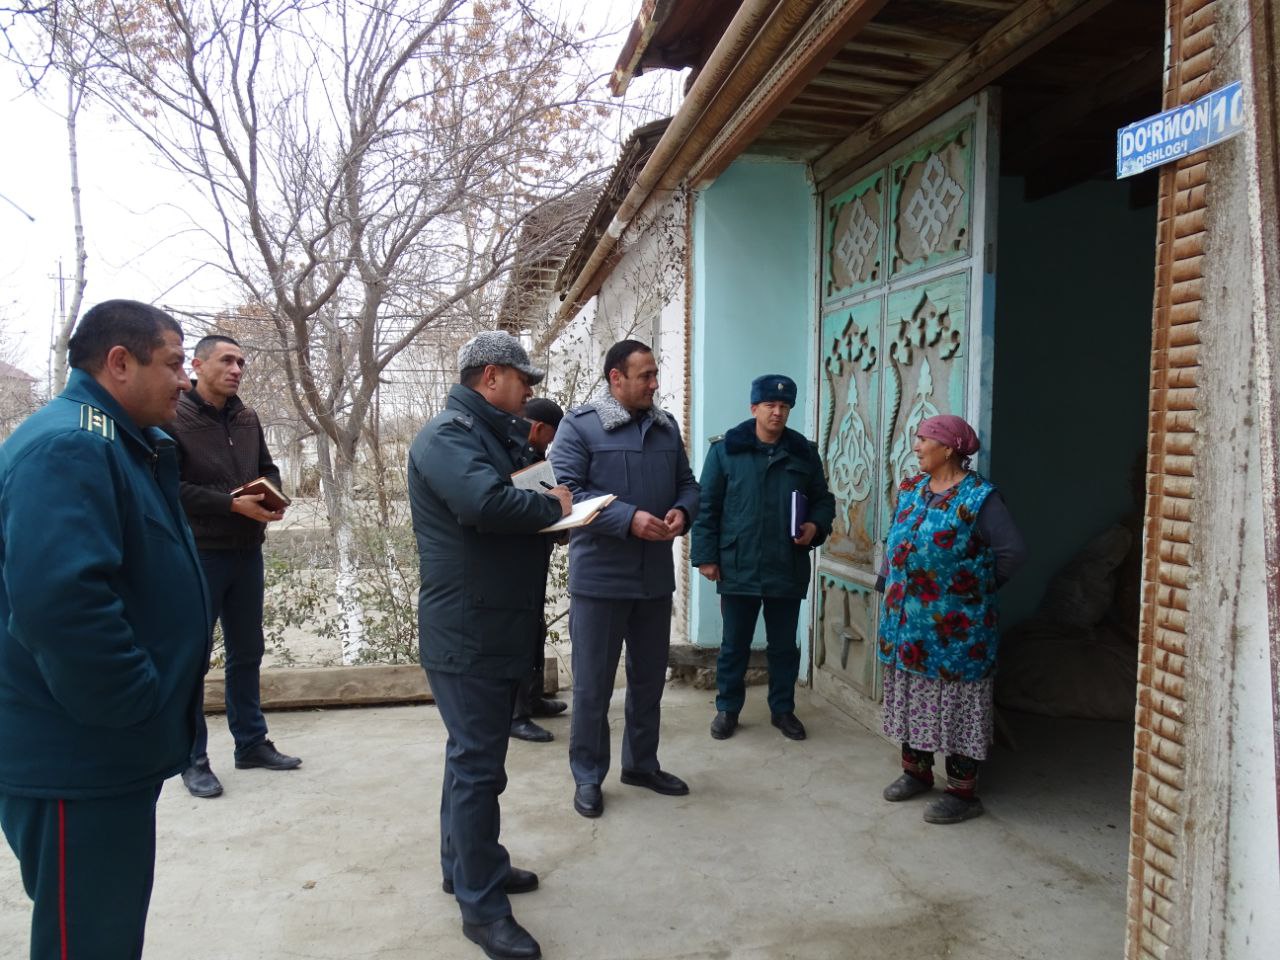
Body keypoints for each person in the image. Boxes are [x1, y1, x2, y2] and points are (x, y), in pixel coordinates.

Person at [0, 299, 209, 959]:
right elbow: (61, 602)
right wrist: (132, 703)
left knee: (106, 928)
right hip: (78, 751)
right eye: (174, 363)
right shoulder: (72, 443)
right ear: (119, 363)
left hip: (106, 747)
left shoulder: (122, 441)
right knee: (86, 940)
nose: (185, 379)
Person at [409, 331, 571, 960]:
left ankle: (468, 866)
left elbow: (526, 501)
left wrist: (555, 512)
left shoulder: (496, 434)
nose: (530, 392)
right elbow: (484, 502)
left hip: (496, 621)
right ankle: (481, 908)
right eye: (523, 381)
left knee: (470, 758)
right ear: (491, 376)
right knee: (479, 767)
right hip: (468, 629)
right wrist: (551, 506)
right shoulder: (447, 436)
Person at [549, 339, 700, 819]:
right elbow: (567, 492)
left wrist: (682, 511)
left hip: (654, 576)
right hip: (601, 579)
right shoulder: (579, 426)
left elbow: (688, 484)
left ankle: (642, 764)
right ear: (616, 378)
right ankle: (588, 776)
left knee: (648, 680)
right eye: (646, 376)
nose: (655, 384)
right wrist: (628, 518)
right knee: (593, 685)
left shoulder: (664, 426)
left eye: (656, 374)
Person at [167, 334, 300, 799]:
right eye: (227, 360)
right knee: (193, 659)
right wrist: (230, 505)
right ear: (198, 365)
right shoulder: (174, 417)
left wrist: (272, 494)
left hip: (247, 551)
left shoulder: (247, 417)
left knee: (247, 653)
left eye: (241, 361)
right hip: (200, 554)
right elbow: (172, 489)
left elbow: (268, 465)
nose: (237, 369)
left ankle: (251, 743)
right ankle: (192, 759)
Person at [875, 414, 1026, 824]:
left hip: (957, 630)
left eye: (923, 440)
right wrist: (886, 578)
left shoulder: (980, 498)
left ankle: (962, 793)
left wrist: (973, 591)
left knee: (957, 703)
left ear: (948, 449)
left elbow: (1011, 552)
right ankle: (916, 773)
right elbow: (895, 539)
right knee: (913, 695)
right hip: (906, 623)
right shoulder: (911, 489)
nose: (917, 447)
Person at [690, 374, 835, 742]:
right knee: (734, 643)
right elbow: (707, 506)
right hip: (739, 562)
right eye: (770, 405)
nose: (777, 412)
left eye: (784, 406)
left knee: (784, 645)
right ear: (754, 408)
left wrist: (815, 527)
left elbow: (823, 500)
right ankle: (728, 708)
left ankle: (783, 709)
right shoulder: (726, 451)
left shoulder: (804, 452)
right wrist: (706, 557)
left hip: (787, 562)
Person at [509, 397, 568, 744]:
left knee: (536, 630)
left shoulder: (535, 460)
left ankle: (531, 699)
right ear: (539, 428)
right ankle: (515, 714)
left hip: (535, 557)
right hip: (512, 564)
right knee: (519, 636)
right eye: (551, 436)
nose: (550, 444)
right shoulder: (510, 458)